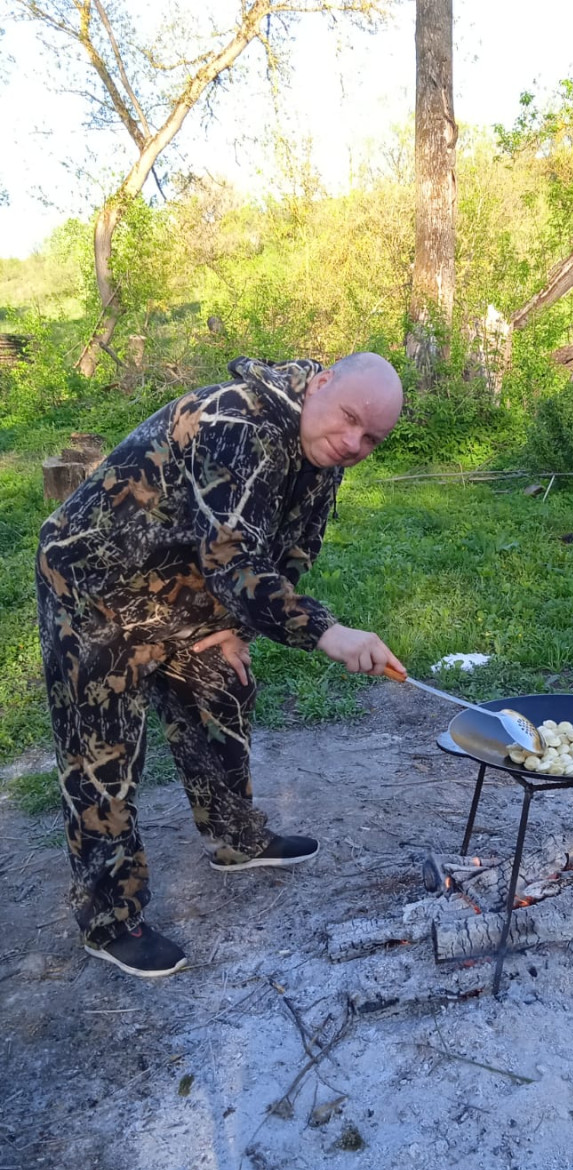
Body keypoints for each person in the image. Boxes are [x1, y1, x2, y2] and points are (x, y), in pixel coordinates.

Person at [36, 352, 406, 979]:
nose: (353, 444)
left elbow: (293, 549)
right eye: (349, 419)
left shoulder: (320, 452)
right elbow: (233, 559)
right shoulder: (237, 421)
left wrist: (237, 626)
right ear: (320, 385)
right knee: (102, 753)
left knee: (222, 689)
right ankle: (110, 919)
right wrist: (327, 632)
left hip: (181, 587)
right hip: (94, 587)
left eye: (371, 438)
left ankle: (236, 837)